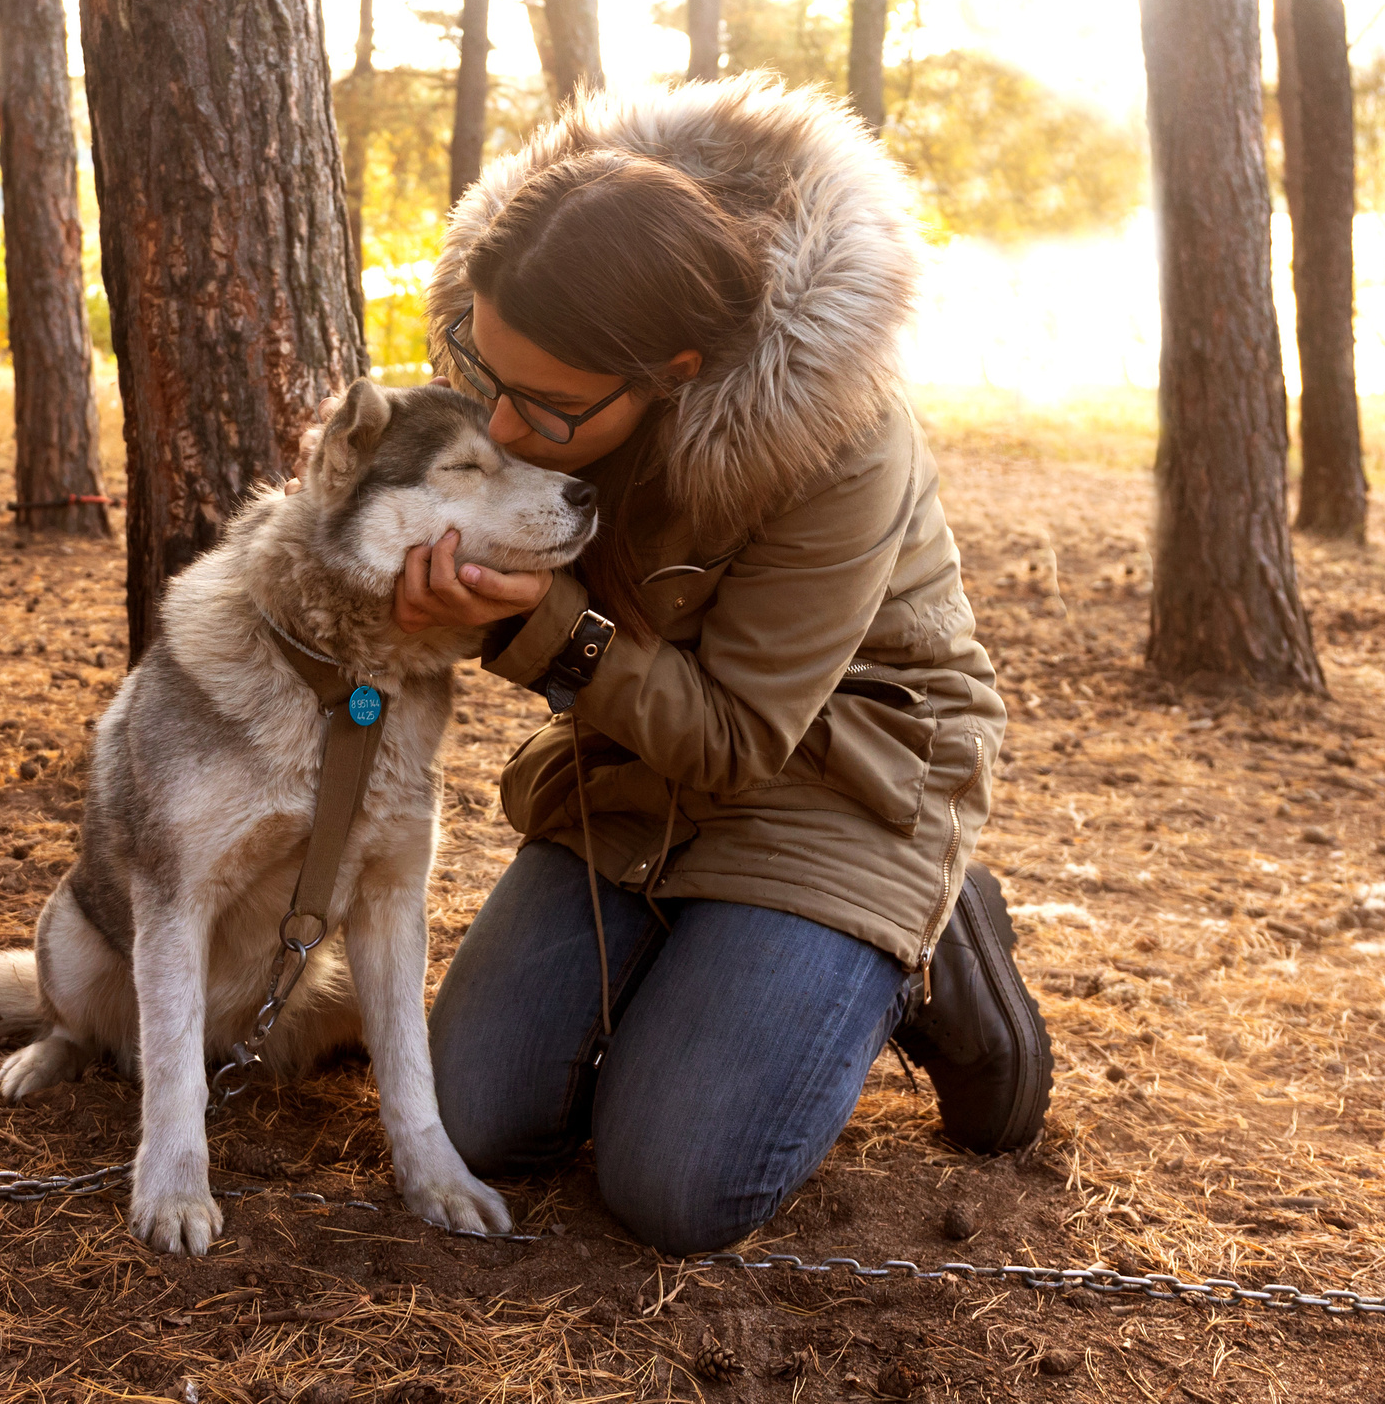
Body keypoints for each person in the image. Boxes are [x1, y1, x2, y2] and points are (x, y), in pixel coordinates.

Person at [397, 76, 1050, 1257]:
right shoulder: (538, 336)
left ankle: (930, 940)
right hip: (636, 765)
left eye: (544, 407)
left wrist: (541, 622)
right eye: (483, 376)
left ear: (678, 371)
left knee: (675, 1185)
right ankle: (727, 968)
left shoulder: (838, 434)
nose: (500, 431)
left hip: (838, 777)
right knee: (469, 1119)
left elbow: (743, 736)